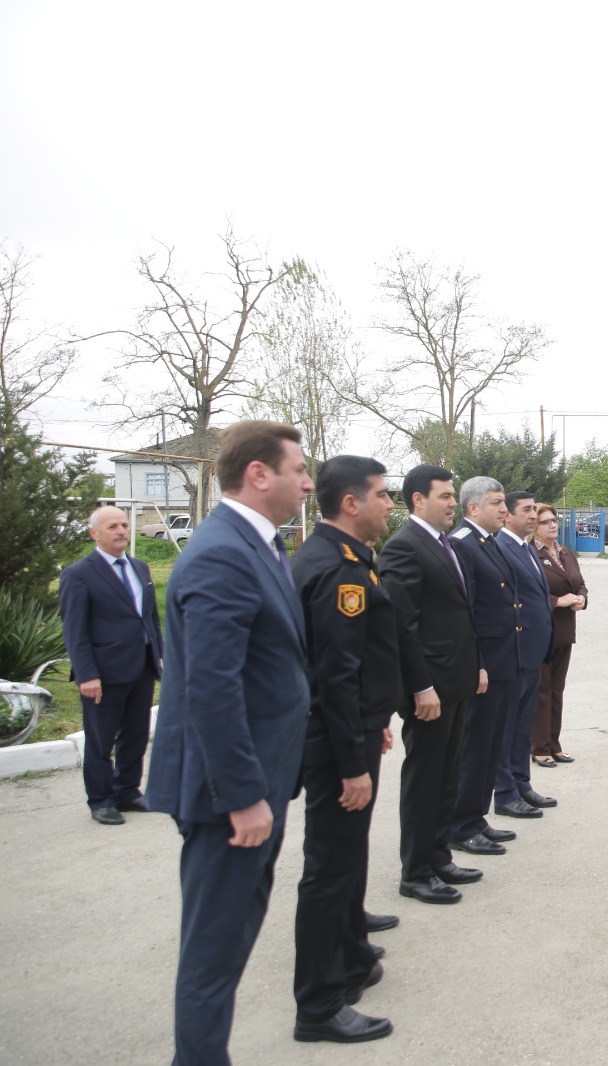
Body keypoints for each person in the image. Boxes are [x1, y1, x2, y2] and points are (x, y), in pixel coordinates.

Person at [143, 420, 315, 1066]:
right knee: (213, 951)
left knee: (234, 937)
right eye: (299, 469)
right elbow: (211, 689)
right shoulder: (221, 552)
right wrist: (243, 796)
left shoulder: (259, 545)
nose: (308, 483)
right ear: (259, 474)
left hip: (262, 781)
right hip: (230, 797)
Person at [288, 455, 402, 1044]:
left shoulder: (348, 556)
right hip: (337, 744)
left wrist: (373, 718)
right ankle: (319, 1002)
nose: (390, 503)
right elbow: (334, 676)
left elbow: (357, 668)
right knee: (330, 869)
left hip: (352, 729)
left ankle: (351, 958)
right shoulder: (338, 570)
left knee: (346, 856)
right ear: (352, 503)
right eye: (382, 494)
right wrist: (352, 762)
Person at [378, 464, 482, 905]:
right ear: (418, 500)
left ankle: (439, 857)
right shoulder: (404, 547)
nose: (453, 503)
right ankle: (416, 871)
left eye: (453, 496)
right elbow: (402, 625)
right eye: (446, 496)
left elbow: (459, 614)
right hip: (430, 690)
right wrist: (419, 686)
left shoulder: (442, 542)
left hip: (455, 682)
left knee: (446, 775)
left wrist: (474, 668)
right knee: (424, 780)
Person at [447, 477, 546, 852]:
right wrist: (478, 663)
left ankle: (475, 818)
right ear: (473, 507)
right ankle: (462, 825)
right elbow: (468, 611)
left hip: (506, 657)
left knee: (489, 746)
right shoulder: (463, 543)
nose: (504, 510)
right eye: (497, 503)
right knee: (476, 748)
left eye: (505, 503)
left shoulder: (486, 542)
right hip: (487, 662)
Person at [57, 505, 163, 825]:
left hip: (141, 666)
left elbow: (150, 618)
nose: (121, 531)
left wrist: (159, 657)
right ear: (94, 533)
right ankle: (101, 800)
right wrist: (87, 674)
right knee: (101, 740)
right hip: (103, 673)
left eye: (124, 525)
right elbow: (75, 630)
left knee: (136, 734)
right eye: (112, 526)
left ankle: (127, 791)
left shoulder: (140, 568)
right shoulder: (79, 574)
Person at [493, 491, 556, 811]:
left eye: (535, 509)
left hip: (533, 651)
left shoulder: (526, 547)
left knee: (522, 725)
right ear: (508, 515)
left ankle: (522, 784)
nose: (533, 515)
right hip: (513, 652)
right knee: (506, 727)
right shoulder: (500, 548)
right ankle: (505, 793)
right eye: (527, 510)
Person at [530, 502, 588, 768]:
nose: (553, 525)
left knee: (557, 689)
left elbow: (580, 583)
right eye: (546, 522)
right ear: (534, 527)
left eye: (554, 520)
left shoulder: (565, 553)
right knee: (541, 690)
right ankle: (539, 747)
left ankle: (554, 744)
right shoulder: (530, 554)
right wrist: (556, 601)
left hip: (564, 630)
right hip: (540, 631)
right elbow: (526, 593)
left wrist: (581, 599)